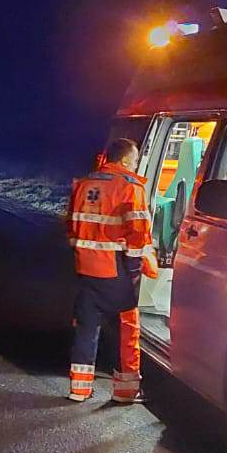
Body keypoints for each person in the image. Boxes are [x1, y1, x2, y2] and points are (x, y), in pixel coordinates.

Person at [65, 138, 156, 404]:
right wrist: (135, 270)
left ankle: (79, 390)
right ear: (126, 161)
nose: (135, 166)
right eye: (135, 161)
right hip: (116, 268)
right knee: (126, 330)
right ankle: (126, 391)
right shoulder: (130, 188)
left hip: (86, 267)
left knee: (86, 327)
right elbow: (138, 235)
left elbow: (71, 228)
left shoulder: (83, 184)